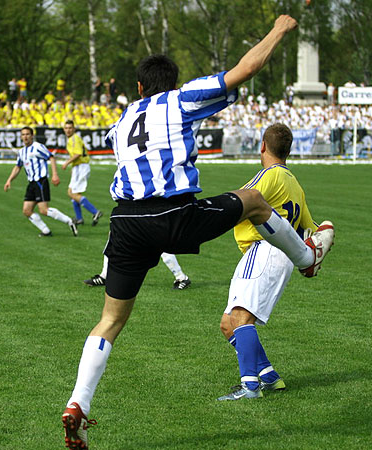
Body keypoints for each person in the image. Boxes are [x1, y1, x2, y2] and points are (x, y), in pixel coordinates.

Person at [61, 15, 335, 449]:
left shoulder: (122, 120)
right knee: (256, 202)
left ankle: (78, 403)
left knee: (110, 320)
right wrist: (279, 30)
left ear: (137, 88)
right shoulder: (180, 99)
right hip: (173, 214)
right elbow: (243, 70)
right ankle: (307, 258)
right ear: (171, 84)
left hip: (126, 224)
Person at [217, 123, 325, 401]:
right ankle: (268, 376)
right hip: (276, 254)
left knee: (241, 318)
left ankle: (250, 387)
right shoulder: (294, 183)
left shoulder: (271, 175)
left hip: (264, 250)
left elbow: (241, 200)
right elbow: (308, 227)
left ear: (263, 146)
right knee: (228, 323)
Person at [4, 126, 78, 237]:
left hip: (40, 181)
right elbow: (18, 166)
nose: (25, 137)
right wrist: (9, 180)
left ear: (32, 136)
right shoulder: (22, 152)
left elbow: (51, 157)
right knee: (26, 210)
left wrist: (55, 175)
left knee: (43, 210)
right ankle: (46, 231)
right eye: (23, 135)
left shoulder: (38, 147)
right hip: (31, 183)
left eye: (27, 134)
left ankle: (69, 221)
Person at [61, 120, 102, 226]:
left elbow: (78, 154)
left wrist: (67, 163)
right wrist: (73, 167)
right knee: (73, 193)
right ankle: (79, 218)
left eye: (70, 128)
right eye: (66, 128)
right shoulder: (72, 139)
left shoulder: (74, 139)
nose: (68, 130)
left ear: (74, 129)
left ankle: (95, 212)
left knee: (72, 193)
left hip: (81, 167)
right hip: (78, 167)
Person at [84, 252, 191, 290]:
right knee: (113, 239)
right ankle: (105, 276)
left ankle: (181, 277)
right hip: (132, 209)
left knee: (160, 244)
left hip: (149, 211)